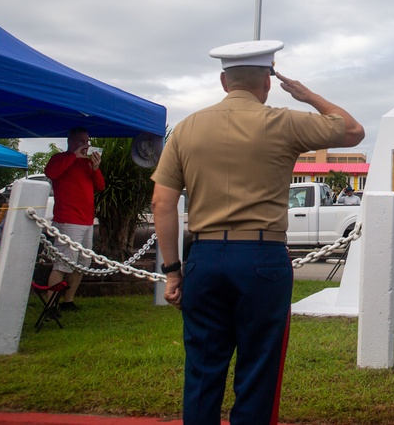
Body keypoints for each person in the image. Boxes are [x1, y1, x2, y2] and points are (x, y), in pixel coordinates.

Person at [151, 40, 363, 425]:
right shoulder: (282, 121)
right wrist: (305, 93)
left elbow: (162, 204)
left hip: (205, 257)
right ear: (268, 81)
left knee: (202, 369)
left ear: (223, 81)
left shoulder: (186, 128)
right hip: (262, 257)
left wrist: (172, 272)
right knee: (258, 370)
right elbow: (352, 130)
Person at [44, 126, 104, 311]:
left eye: (87, 141)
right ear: (71, 141)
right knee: (63, 263)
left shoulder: (87, 163)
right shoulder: (60, 158)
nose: (85, 145)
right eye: (81, 141)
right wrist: (73, 156)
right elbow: (51, 173)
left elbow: (100, 186)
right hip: (68, 220)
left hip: (86, 220)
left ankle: (68, 301)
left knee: (82, 263)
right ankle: (50, 304)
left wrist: (95, 168)